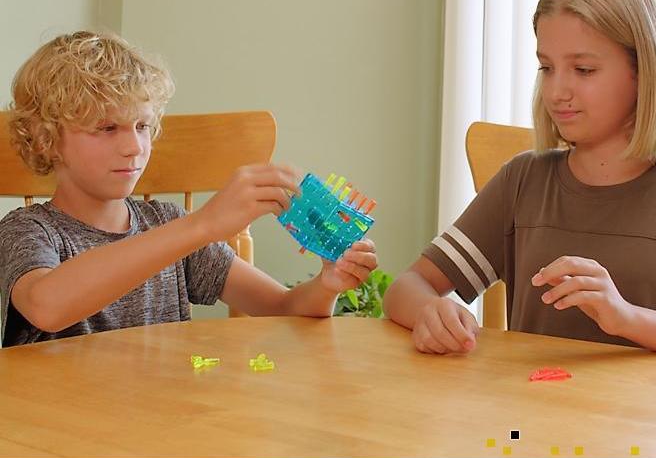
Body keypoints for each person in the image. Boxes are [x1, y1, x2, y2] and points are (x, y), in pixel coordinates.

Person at [0, 31, 377, 347]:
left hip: (164, 425)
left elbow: (284, 308)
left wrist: (327, 286)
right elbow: (45, 306)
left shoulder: (166, 223)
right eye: (106, 128)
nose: (134, 146)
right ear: (46, 140)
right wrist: (202, 225)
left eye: (142, 126)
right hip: (55, 430)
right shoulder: (29, 232)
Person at [384, 0, 656, 355]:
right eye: (547, 67)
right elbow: (406, 287)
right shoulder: (524, 181)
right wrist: (432, 311)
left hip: (650, 418)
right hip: (532, 412)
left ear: (645, 73)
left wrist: (625, 317)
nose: (557, 90)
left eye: (583, 69)